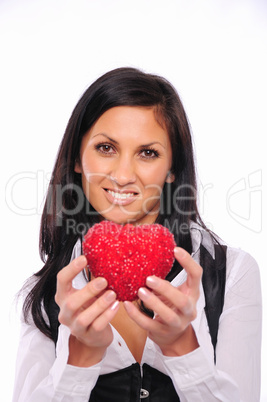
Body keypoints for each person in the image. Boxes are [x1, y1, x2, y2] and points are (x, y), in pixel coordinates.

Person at [13, 67, 262, 402]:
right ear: (77, 158)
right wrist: (80, 357)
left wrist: (181, 347)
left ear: (173, 168)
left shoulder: (231, 272)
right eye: (105, 148)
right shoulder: (45, 295)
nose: (123, 175)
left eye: (148, 153)